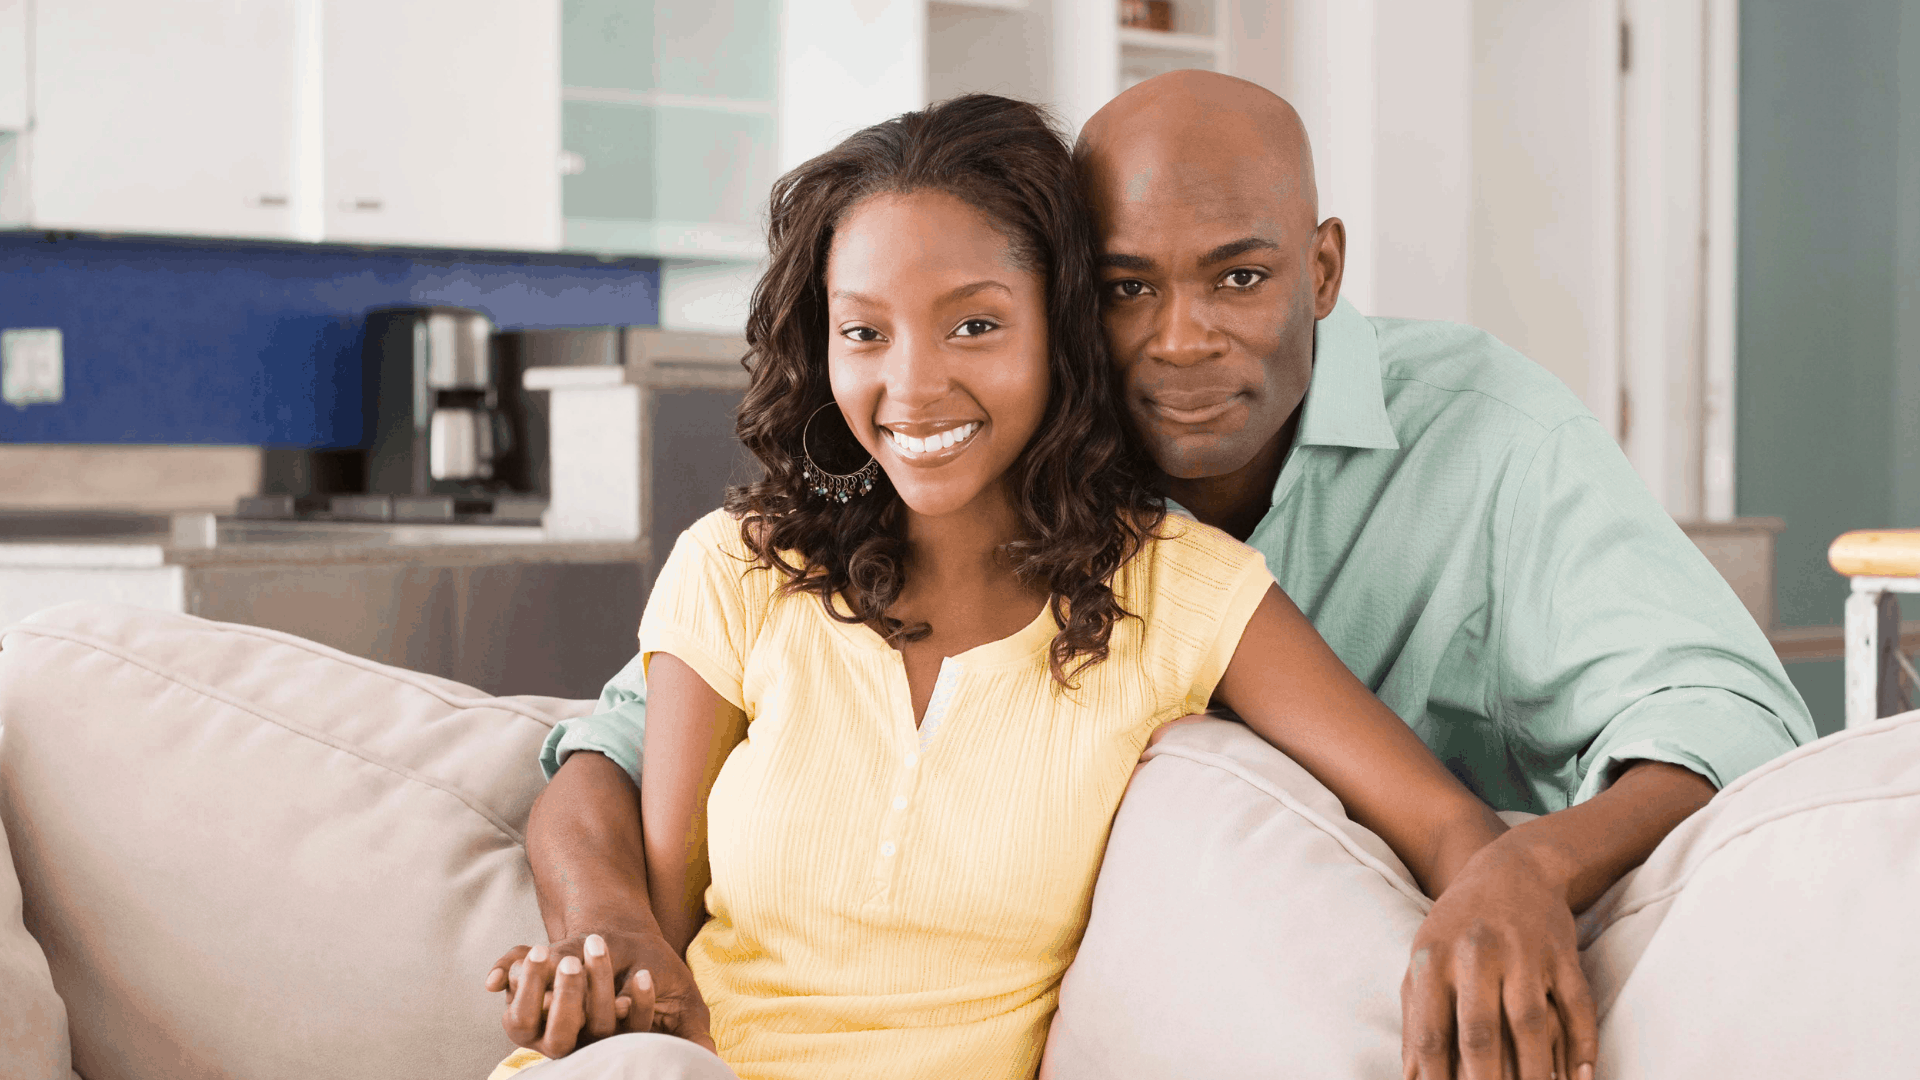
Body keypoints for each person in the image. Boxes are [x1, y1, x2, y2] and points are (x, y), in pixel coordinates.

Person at [506, 73, 1814, 1079]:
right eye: (1130, 288)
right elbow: (614, 760)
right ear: (1083, 305)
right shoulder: (840, 531)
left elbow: (1726, 723)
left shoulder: (1456, 452)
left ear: (1323, 269)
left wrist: (1517, 875)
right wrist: (611, 936)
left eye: (1239, 277)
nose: (1180, 341)